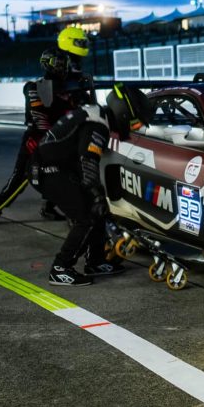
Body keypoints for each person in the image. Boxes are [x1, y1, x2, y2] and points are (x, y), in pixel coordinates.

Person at [0, 27, 95, 224]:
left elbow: (86, 107)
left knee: (67, 173)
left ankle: (50, 207)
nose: (65, 68)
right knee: (20, 176)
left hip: (59, 136)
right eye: (61, 65)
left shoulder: (78, 83)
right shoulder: (35, 88)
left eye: (65, 65)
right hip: (40, 138)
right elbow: (41, 119)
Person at [31, 85, 146, 285]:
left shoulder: (97, 114)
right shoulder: (98, 125)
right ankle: (60, 268)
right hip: (47, 170)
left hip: (55, 167)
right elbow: (88, 162)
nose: (135, 128)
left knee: (96, 211)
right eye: (135, 124)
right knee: (85, 217)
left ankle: (95, 261)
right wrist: (97, 195)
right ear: (124, 114)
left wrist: (98, 198)